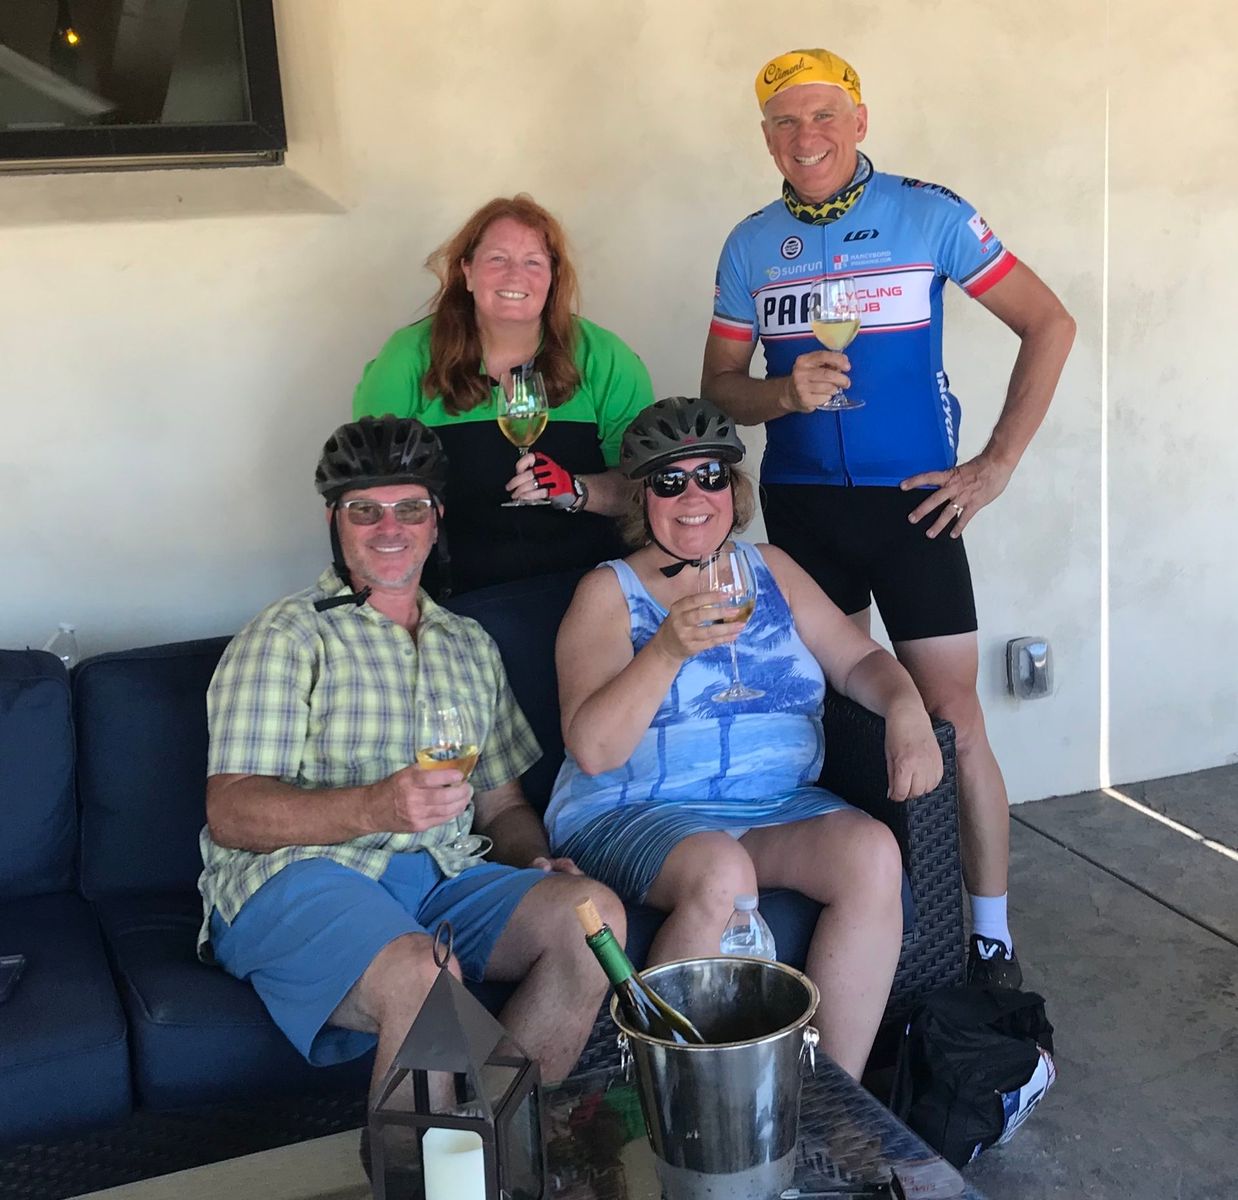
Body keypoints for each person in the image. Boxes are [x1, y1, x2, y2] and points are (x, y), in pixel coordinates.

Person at [701, 49, 1077, 988]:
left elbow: (1051, 323)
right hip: (803, 506)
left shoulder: (928, 212)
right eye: (786, 122)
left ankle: (988, 935)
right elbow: (718, 391)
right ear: (766, 140)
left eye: (824, 115)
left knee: (951, 715)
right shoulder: (750, 244)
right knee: (839, 711)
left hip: (914, 504)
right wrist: (780, 395)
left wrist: (994, 466)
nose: (806, 137)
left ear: (860, 122)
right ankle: (883, 913)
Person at [197, 415, 626, 1120]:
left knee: (593, 920)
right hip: (301, 875)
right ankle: (416, 1169)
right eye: (364, 511)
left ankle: (506, 1142)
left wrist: (534, 860)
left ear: (436, 520)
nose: (389, 528)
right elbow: (232, 811)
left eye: (409, 508)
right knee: (426, 976)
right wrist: (375, 807)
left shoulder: (469, 644)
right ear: (335, 522)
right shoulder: (287, 635)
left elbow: (502, 806)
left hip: (442, 874)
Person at [545, 396, 943, 1079]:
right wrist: (667, 650)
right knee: (721, 874)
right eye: (670, 481)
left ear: (734, 488)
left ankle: (826, 1102)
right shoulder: (608, 592)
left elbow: (858, 661)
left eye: (711, 476)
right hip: (635, 808)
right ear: (642, 496)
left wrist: (906, 708)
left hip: (771, 804)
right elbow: (594, 750)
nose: (693, 496)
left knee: (872, 853)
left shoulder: (771, 569)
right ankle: (674, 1104)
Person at [353, 194, 656, 597]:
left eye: (533, 262)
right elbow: (365, 491)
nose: (515, 275)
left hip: (587, 587)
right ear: (467, 271)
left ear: (553, 277)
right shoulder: (408, 356)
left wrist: (576, 490)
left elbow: (645, 489)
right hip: (453, 594)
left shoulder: (604, 356)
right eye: (498, 259)